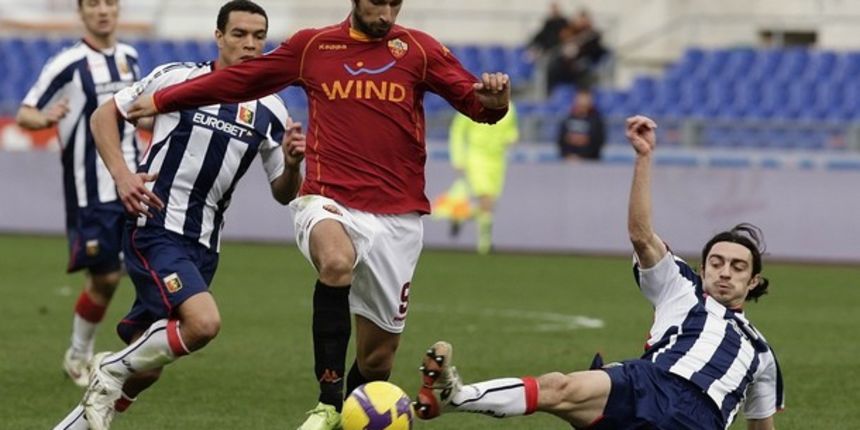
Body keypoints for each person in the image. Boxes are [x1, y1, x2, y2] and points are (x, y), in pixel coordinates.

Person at [122, 1, 511, 428]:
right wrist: (162, 98)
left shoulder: (418, 50)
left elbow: (479, 107)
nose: (385, 14)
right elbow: (240, 80)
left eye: (393, 4)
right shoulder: (314, 47)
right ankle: (327, 401)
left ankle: (350, 413)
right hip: (328, 200)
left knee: (377, 363)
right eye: (376, 3)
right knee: (336, 260)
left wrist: (495, 102)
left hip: (398, 217)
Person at [414, 115, 784, 430]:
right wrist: (644, 158)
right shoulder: (681, 286)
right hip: (647, 383)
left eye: (737, 267)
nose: (724, 272)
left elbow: (761, 425)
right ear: (703, 268)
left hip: (701, 417)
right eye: (716, 262)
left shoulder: (761, 353)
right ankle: (454, 396)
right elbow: (641, 236)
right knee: (560, 388)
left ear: (753, 282)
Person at [52, 1, 305, 429]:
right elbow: (103, 116)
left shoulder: (271, 109)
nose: (249, 44)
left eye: (258, 36)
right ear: (219, 36)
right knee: (203, 323)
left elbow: (284, 194)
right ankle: (108, 368)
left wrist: (294, 164)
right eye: (239, 34)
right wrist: (122, 175)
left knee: (147, 367)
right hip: (156, 227)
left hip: (205, 245)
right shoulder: (177, 78)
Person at [15, 0, 141, 388]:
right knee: (105, 277)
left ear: (117, 9)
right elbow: (25, 113)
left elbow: (138, 109)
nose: (102, 11)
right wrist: (47, 118)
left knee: (144, 267)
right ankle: (79, 354)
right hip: (91, 189)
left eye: (109, 3)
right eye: (93, 5)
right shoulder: (66, 63)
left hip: (133, 181)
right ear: (81, 13)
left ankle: (139, 356)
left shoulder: (131, 57)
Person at [433, 104, 519, 253]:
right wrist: (458, 157)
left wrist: (511, 138)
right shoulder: (473, 102)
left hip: (497, 160)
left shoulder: (509, 107)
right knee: (486, 199)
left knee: (490, 204)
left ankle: (460, 215)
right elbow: (457, 132)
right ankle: (484, 245)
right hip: (476, 156)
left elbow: (512, 130)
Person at [557, 88, 605, 161]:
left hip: (590, 162)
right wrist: (568, 155)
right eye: (580, 98)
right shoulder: (568, 119)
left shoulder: (596, 121)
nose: (582, 102)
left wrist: (583, 156)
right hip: (568, 161)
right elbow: (561, 140)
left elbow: (598, 141)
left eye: (585, 98)